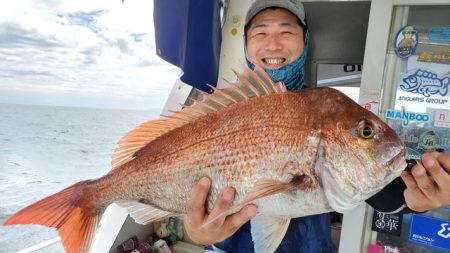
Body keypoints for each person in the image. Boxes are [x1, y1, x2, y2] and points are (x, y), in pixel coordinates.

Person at [183, 1, 450, 252]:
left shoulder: (327, 111)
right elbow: (184, 193)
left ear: (305, 40)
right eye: (260, 33)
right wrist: (198, 234)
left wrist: (416, 200)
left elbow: (374, 187)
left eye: (286, 31)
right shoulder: (216, 116)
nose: (273, 44)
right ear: (246, 44)